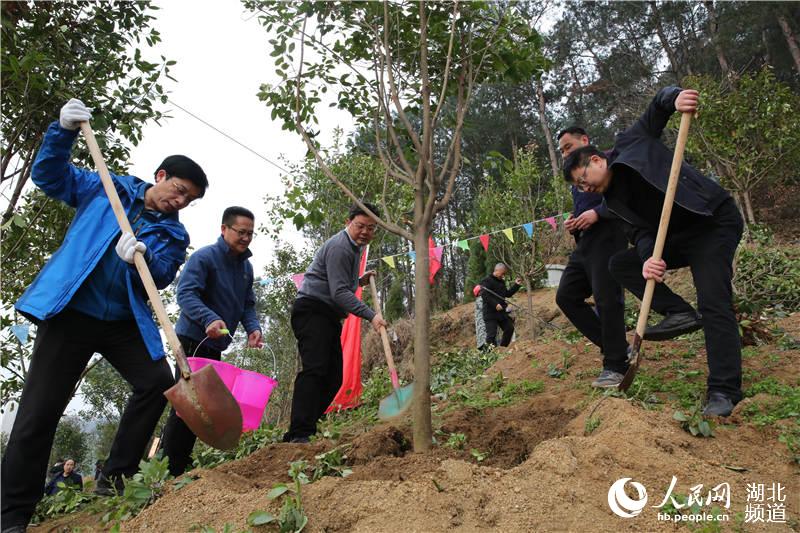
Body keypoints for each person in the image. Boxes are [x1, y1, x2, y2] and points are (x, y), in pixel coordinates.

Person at [2, 98, 207, 532]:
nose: (180, 201)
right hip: (71, 315)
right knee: (40, 412)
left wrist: (145, 259)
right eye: (179, 189)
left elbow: (165, 274)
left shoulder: (173, 232)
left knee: (157, 384)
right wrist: (63, 132)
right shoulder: (105, 188)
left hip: (121, 323)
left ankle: (114, 479)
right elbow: (49, 177)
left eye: (188, 199)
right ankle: (12, 514)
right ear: (161, 176)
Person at [563, 87, 743, 416]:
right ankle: (679, 312)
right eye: (578, 186)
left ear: (597, 159)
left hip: (712, 222)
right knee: (623, 263)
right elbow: (642, 234)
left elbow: (657, 107)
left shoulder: (631, 142)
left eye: (583, 177)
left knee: (714, 302)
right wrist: (649, 260)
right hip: (677, 237)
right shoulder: (612, 204)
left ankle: (724, 390)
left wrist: (675, 99)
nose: (584, 187)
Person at [161, 206, 263, 476]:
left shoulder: (246, 268)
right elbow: (185, 294)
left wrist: (252, 328)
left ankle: (179, 465)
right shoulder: (204, 258)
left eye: (250, 234)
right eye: (241, 232)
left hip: (214, 346)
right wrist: (209, 318)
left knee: (204, 407)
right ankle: (169, 469)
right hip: (192, 340)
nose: (245, 238)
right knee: (188, 406)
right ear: (224, 229)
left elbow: (247, 304)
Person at [282, 203, 387, 443]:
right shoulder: (341, 247)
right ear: (347, 222)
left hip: (327, 314)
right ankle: (299, 432)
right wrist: (372, 315)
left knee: (334, 378)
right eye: (360, 226)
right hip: (312, 310)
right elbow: (339, 293)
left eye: (371, 228)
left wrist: (359, 281)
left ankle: (303, 427)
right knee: (315, 370)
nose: (365, 232)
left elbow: (337, 282)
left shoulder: (354, 247)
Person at [555, 127, 630, 388]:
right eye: (562, 150)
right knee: (565, 295)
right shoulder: (575, 180)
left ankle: (615, 366)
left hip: (609, 237)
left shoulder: (606, 162)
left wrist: (598, 213)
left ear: (585, 141)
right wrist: (574, 222)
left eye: (568, 146)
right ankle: (617, 346)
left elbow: (624, 195)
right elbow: (584, 209)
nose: (565, 153)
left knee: (607, 298)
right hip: (585, 244)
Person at [479, 263, 522, 348]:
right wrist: (495, 304)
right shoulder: (486, 281)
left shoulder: (501, 282)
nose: (503, 276)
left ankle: (502, 348)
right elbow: (484, 295)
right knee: (491, 335)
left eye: (504, 274)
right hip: (490, 313)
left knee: (509, 328)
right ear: (497, 270)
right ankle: (489, 354)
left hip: (501, 312)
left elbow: (507, 294)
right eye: (502, 273)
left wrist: (516, 285)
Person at [473, 285, 487, 350]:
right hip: (482, 323)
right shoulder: (480, 300)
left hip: (482, 323)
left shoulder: (480, 299)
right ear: (479, 293)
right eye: (482, 290)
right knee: (483, 336)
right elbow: (486, 308)